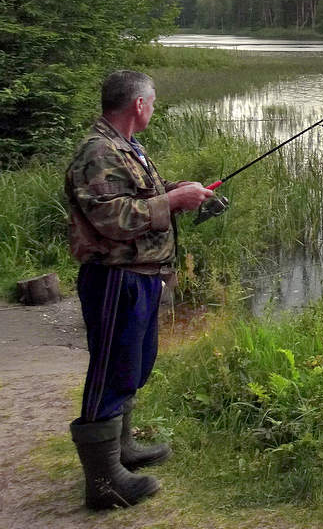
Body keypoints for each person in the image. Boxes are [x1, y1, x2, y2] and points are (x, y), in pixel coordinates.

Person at [63, 70, 214, 510]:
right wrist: (169, 203)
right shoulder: (98, 151)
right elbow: (109, 218)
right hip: (115, 277)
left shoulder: (127, 148)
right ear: (138, 106)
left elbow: (140, 195)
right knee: (110, 371)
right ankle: (104, 483)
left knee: (133, 364)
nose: (154, 106)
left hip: (142, 275)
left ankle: (121, 451)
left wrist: (181, 191)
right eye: (153, 101)